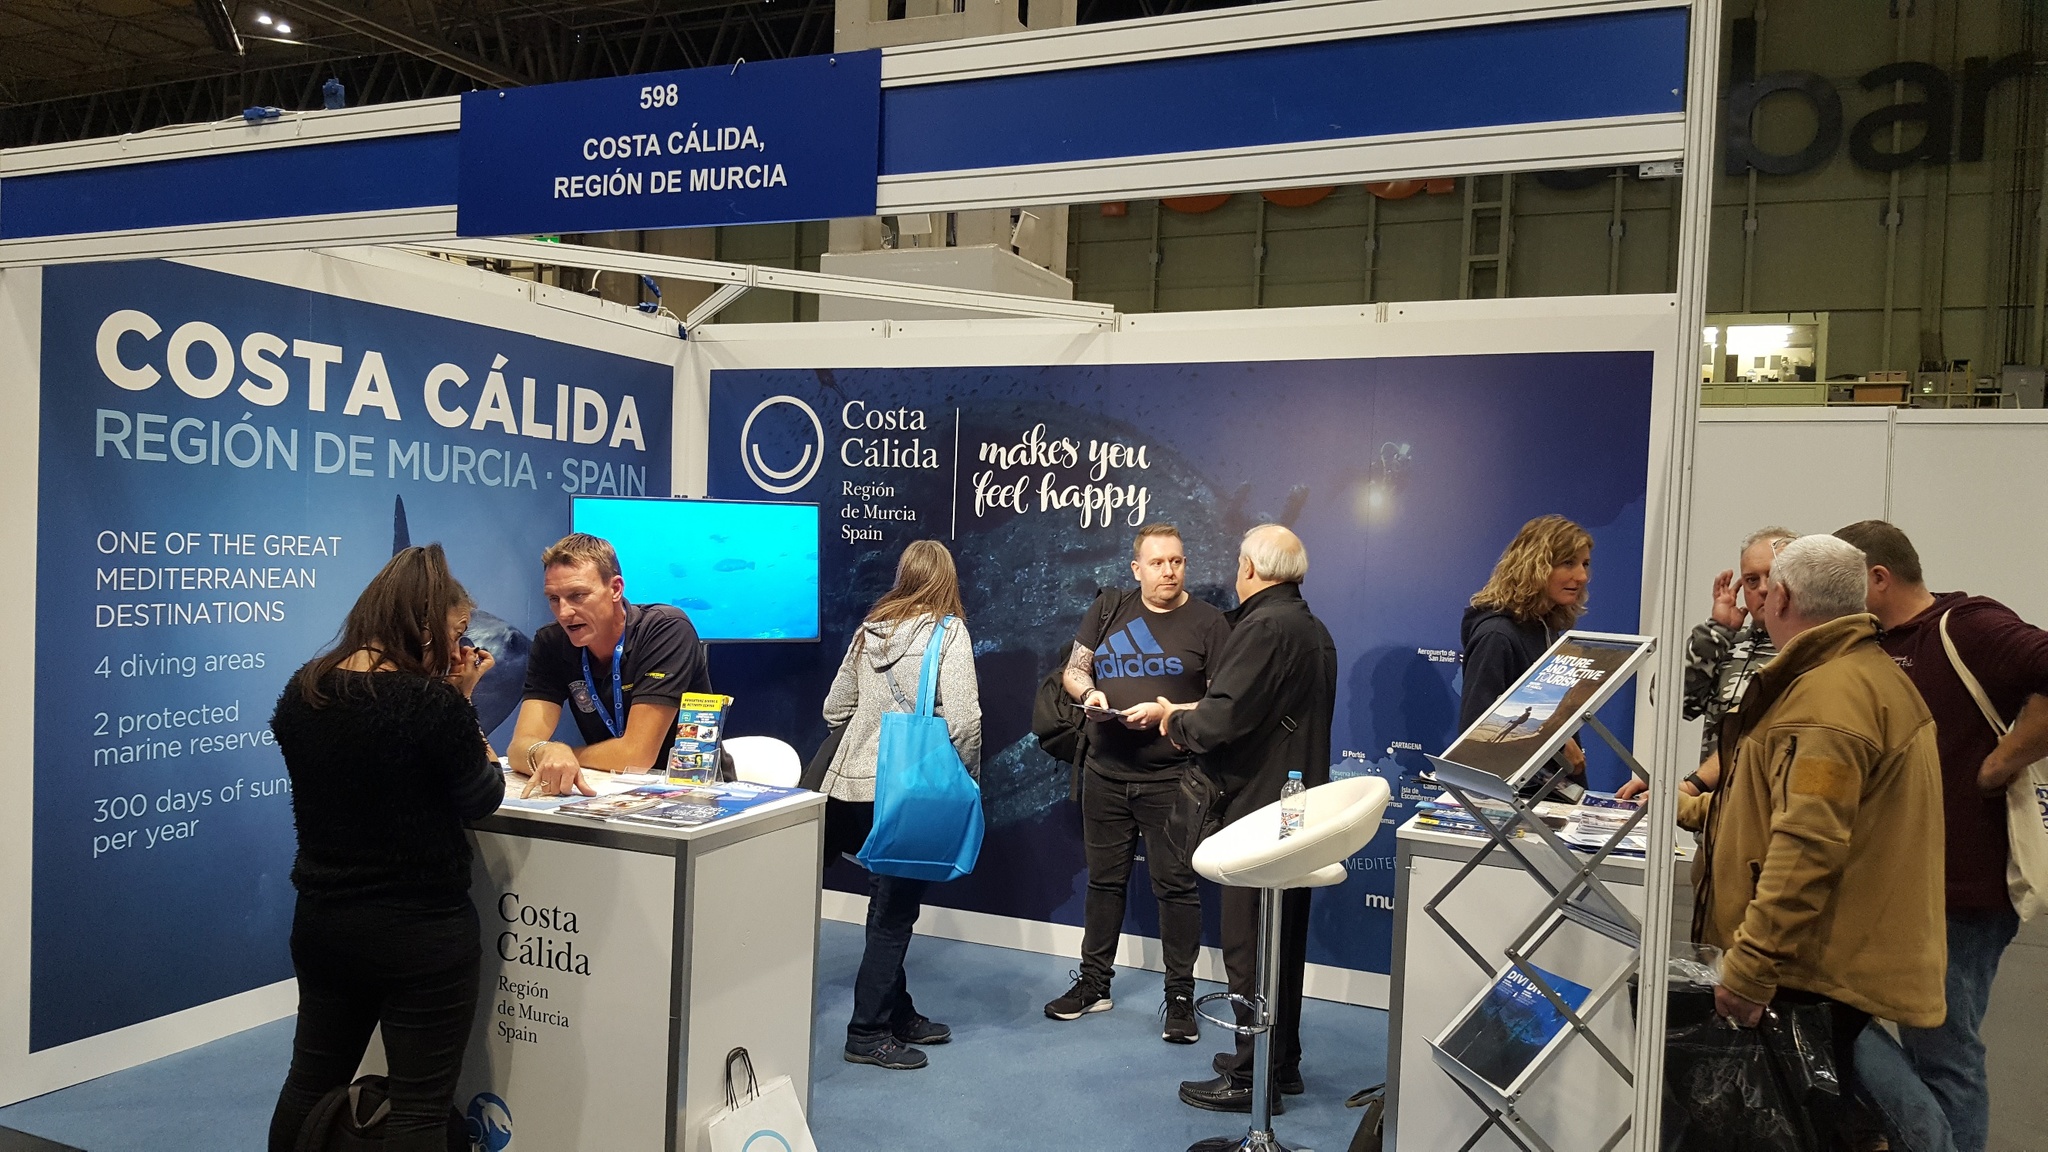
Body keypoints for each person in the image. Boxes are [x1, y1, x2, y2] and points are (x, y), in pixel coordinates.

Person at [1677, 534, 1948, 1147]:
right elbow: (1774, 803)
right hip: (1816, 959)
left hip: (1806, 968)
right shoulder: (1852, 678)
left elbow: (1808, 846)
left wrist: (1750, 967)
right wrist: (1688, 809)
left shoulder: (1827, 699)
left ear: (1782, 598)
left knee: (1803, 1124)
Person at [266, 545, 505, 1151]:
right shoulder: (432, 704)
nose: (459, 646)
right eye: (456, 631)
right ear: (424, 623)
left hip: (324, 923)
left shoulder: (307, 688)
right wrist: (461, 699)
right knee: (419, 1109)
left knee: (309, 1082)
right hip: (422, 934)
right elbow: (481, 796)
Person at [1833, 519, 2048, 1152]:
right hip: (1894, 886)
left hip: (1961, 889)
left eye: (1845, 582)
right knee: (1836, 1016)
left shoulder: (1967, 625)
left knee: (1945, 1053)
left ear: (1878, 577)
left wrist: (2002, 762)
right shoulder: (1871, 641)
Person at [1156, 524, 1336, 1114]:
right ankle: (1278, 1063)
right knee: (1281, 940)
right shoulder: (1313, 628)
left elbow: (1220, 722)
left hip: (1257, 812)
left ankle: (1250, 1077)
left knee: (1250, 943)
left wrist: (1175, 722)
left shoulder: (1263, 628)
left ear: (1251, 569)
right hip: (1295, 807)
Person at [1043, 523, 1232, 1043]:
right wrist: (1090, 696)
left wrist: (1168, 710)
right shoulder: (1110, 609)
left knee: (1176, 887)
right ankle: (1094, 985)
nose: (1169, 571)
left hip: (1172, 779)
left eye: (1177, 561)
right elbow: (1074, 671)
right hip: (1105, 774)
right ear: (1137, 568)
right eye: (1157, 562)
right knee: (1104, 883)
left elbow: (1223, 703)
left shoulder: (1210, 623)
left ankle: (1180, 998)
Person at [817, 540, 983, 1071]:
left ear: (903, 575)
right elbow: (965, 721)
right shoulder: (948, 631)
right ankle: (866, 1033)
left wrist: (869, 733)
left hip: (850, 791)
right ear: (947, 579)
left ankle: (898, 1013)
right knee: (893, 914)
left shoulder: (870, 631)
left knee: (887, 904)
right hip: (909, 792)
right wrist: (963, 780)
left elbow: (834, 709)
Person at [511, 533, 713, 796]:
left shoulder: (665, 629)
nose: (564, 612)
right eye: (553, 598)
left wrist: (563, 755)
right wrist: (545, 752)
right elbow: (518, 749)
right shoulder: (551, 642)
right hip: (606, 789)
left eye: (578, 595)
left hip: (690, 789)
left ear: (616, 589)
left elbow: (636, 756)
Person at [1621, 525, 1797, 803]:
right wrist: (1716, 631)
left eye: (1774, 576)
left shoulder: (1809, 649)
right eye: (1751, 580)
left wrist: (1688, 787)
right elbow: (1668, 702)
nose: (1763, 589)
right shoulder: (1727, 642)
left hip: (1773, 809)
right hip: (1713, 812)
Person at [1460, 515, 1592, 786]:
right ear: (1535, 565)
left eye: (1585, 564)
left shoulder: (1545, 627)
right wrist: (1556, 743)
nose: (1581, 576)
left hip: (1551, 791)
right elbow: (1477, 738)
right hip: (1512, 799)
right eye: (1568, 563)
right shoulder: (1496, 635)